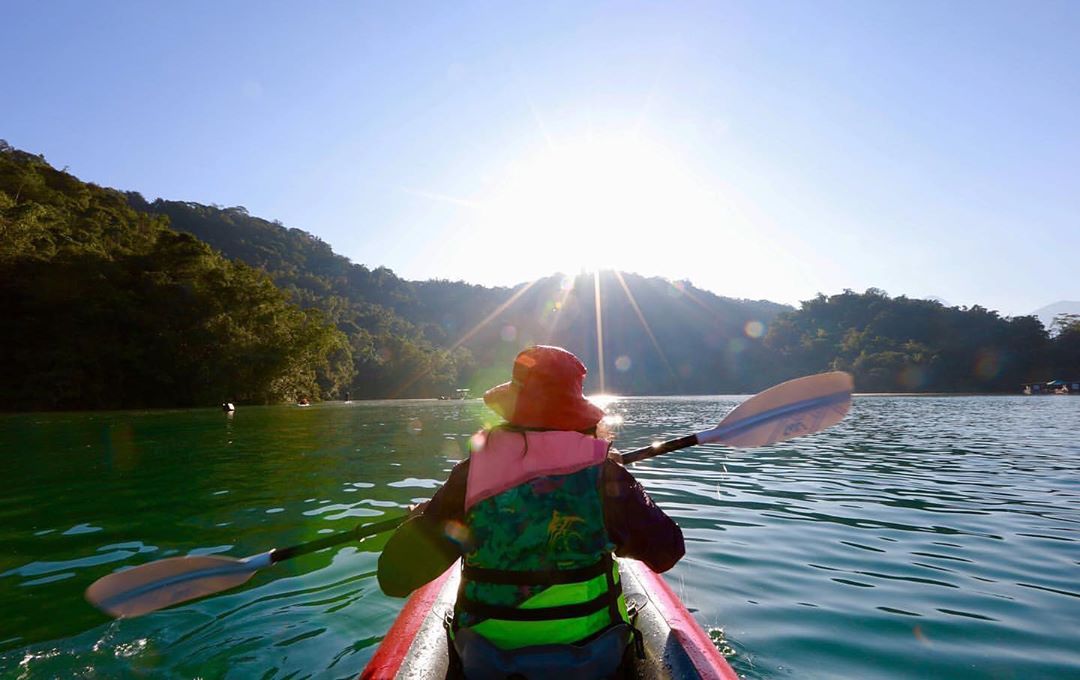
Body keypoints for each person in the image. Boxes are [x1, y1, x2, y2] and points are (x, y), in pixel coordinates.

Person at [377, 345, 685, 679]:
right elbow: (668, 552)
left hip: (485, 665)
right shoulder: (607, 478)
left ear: (512, 410)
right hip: (593, 663)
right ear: (578, 417)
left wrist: (421, 522)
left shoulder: (469, 477)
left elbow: (394, 579)